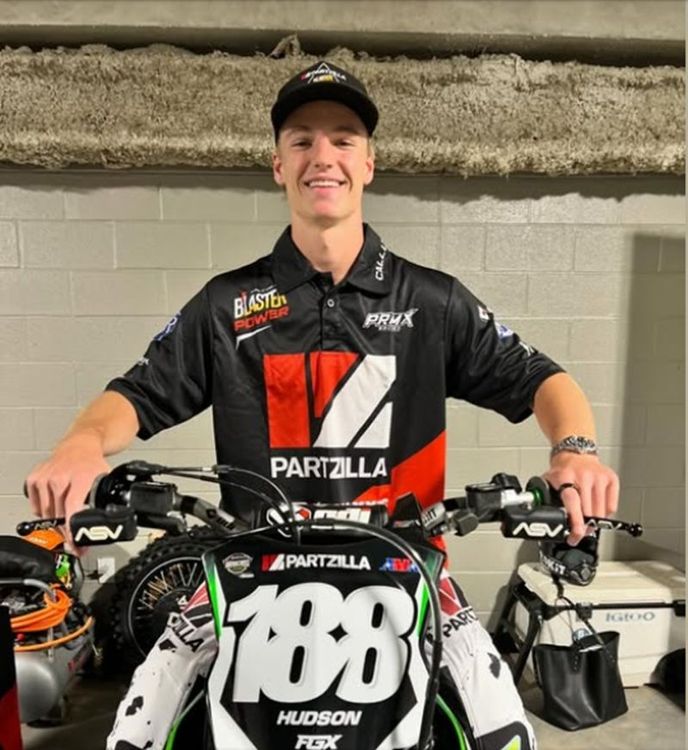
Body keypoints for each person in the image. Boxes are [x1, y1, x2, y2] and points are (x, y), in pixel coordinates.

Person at [26, 61, 619, 750]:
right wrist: (81, 444)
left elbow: (542, 379)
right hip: (247, 571)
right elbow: (136, 394)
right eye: (302, 140)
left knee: (504, 730)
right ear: (279, 165)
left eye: (343, 138)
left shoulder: (432, 300)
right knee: (138, 728)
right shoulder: (226, 304)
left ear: (369, 162)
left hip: (409, 566)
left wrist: (575, 451)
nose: (323, 155)